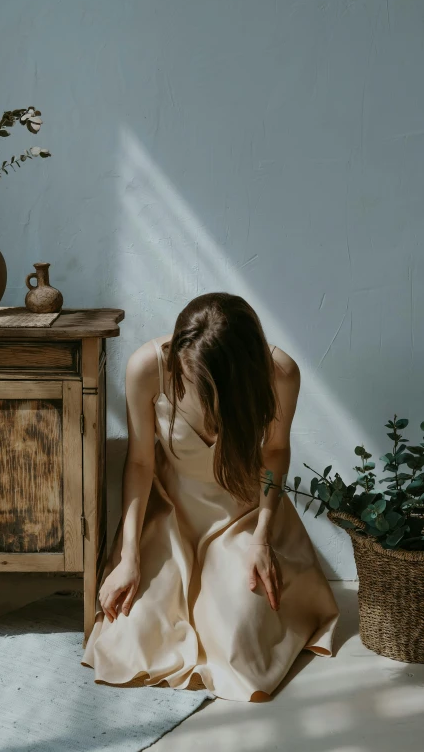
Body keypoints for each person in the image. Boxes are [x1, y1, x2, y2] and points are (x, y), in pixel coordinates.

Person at [81, 292, 339, 701]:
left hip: (245, 515)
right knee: (133, 637)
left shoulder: (280, 373)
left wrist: (262, 537)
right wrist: (128, 555)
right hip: (170, 516)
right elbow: (141, 464)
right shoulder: (146, 368)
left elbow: (275, 452)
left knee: (241, 649)